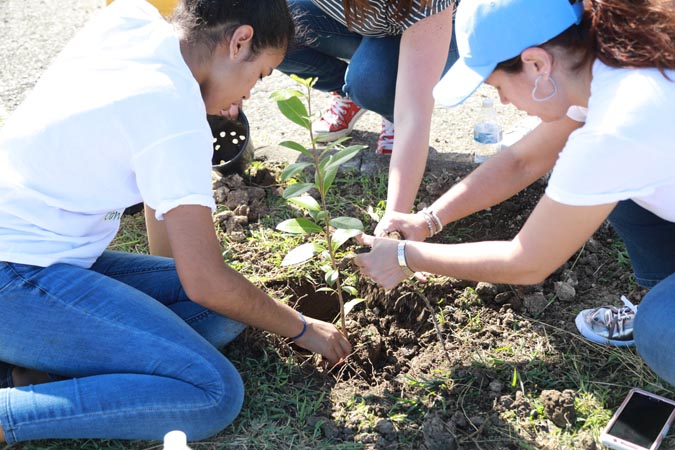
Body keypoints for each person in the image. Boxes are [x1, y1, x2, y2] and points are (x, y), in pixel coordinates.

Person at [0, 0, 351, 444]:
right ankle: (10, 413)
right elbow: (206, 280)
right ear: (240, 41)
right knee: (212, 393)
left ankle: (22, 365)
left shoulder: (129, 20)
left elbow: (192, 275)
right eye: (258, 77)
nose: (245, 98)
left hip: (46, 256)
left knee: (222, 315)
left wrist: (171, 303)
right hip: (15, 277)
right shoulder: (175, 112)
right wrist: (303, 328)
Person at [354, 0, 675, 384]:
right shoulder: (610, 61)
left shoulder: (617, 126)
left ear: (537, 64)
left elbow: (527, 261)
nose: (504, 101)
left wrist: (406, 257)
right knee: (608, 188)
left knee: (660, 330)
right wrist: (427, 220)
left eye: (499, 86)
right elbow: (521, 162)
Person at [276, 0, 458, 212]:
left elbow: (413, 115)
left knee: (370, 83)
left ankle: (390, 109)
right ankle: (349, 91)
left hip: (438, 25)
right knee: (272, 32)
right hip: (368, 19)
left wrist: (394, 223)